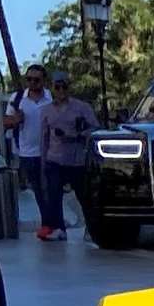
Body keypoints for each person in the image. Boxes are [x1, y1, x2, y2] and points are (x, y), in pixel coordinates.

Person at [38, 73, 98, 240]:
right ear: (51, 88)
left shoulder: (82, 108)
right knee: (54, 196)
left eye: (65, 87)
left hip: (76, 160)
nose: (61, 90)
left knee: (84, 197)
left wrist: (76, 135)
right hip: (54, 160)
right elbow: (44, 137)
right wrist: (43, 160)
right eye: (57, 87)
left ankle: (92, 228)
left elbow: (95, 129)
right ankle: (58, 228)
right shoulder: (46, 111)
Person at [4, 64, 54, 235]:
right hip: (26, 152)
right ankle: (48, 223)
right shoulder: (18, 98)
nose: (32, 83)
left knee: (49, 188)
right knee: (39, 190)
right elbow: (5, 121)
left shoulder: (51, 97)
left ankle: (51, 223)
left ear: (44, 81)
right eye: (29, 79)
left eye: (36, 79)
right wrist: (16, 120)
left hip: (49, 152)